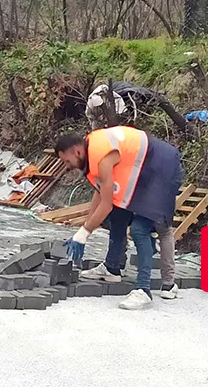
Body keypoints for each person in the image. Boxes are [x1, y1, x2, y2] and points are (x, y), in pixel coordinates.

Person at [55, 126, 183, 310]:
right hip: (143, 171)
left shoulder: (102, 157)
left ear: (77, 151)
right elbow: (100, 194)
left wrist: (84, 233)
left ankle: (146, 289)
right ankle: (112, 268)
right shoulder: (91, 151)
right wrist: (83, 230)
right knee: (117, 214)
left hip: (162, 169)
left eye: (67, 161)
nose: (67, 166)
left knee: (142, 229)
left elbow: (105, 204)